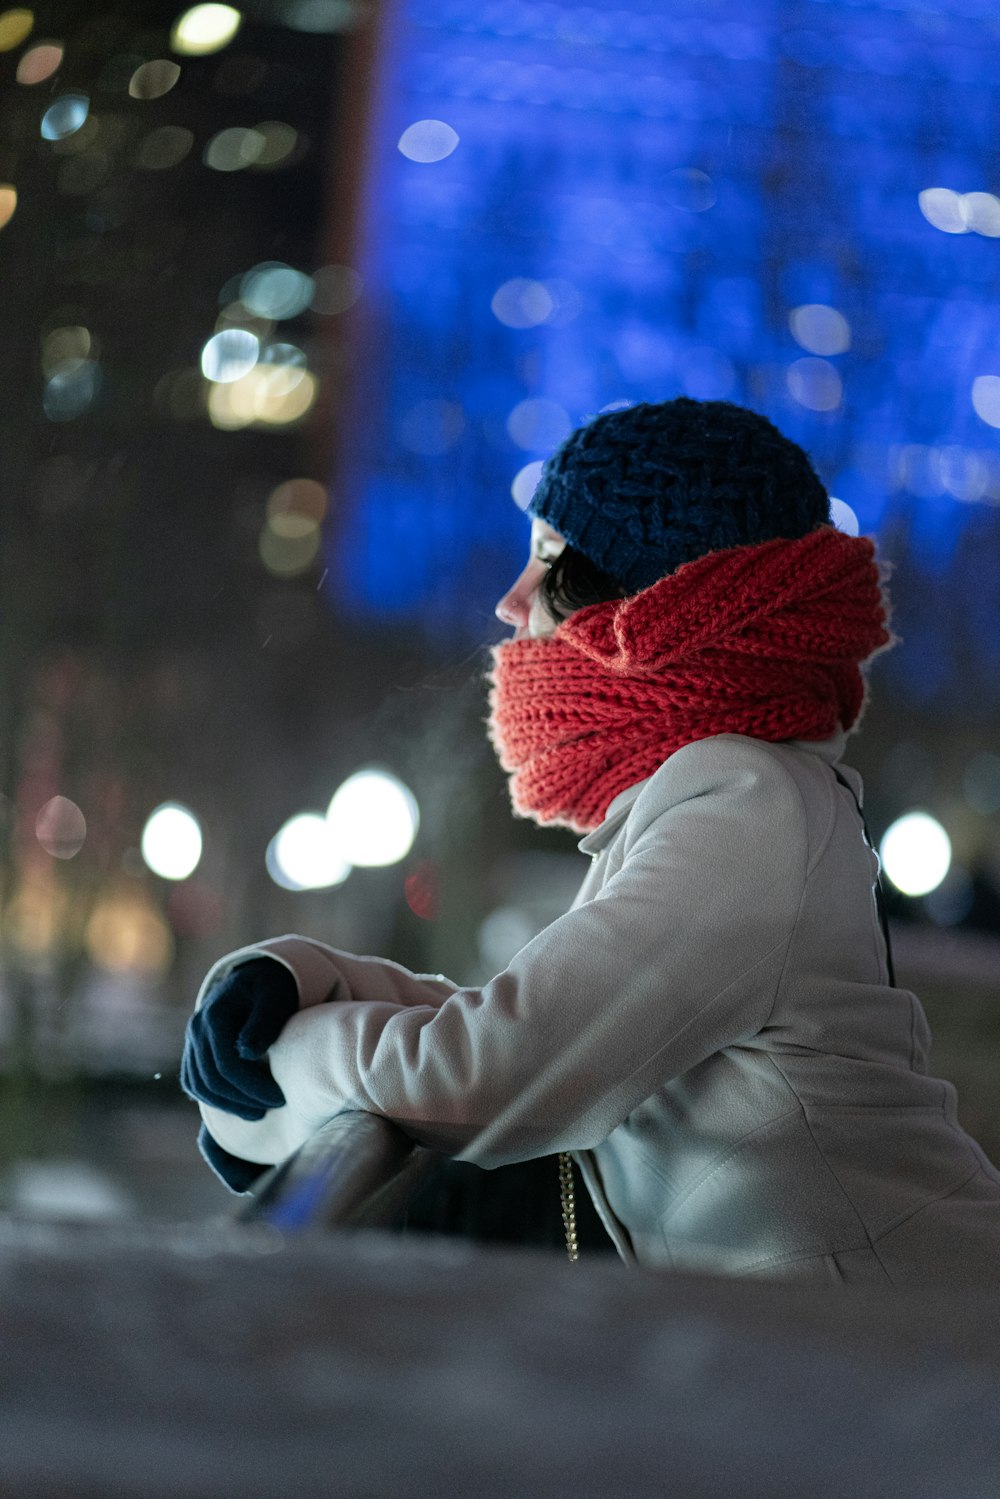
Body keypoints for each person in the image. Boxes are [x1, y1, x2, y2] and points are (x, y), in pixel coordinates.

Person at [181, 397, 1000, 1286]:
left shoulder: (748, 806)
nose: (510, 601)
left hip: (915, 1349)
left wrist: (275, 1055)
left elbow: (486, 1073)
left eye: (545, 560)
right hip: (853, 1348)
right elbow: (540, 1016)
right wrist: (305, 981)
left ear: (651, 604)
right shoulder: (720, 795)